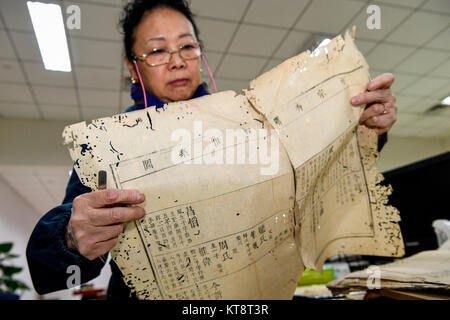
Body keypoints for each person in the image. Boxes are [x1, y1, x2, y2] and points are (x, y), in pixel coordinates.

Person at [26, 0, 397, 300]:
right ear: (131, 65)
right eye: (157, 50)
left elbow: (315, 169)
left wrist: (364, 126)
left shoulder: (247, 123)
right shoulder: (108, 148)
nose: (177, 60)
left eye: (187, 46)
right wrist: (71, 238)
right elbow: (53, 267)